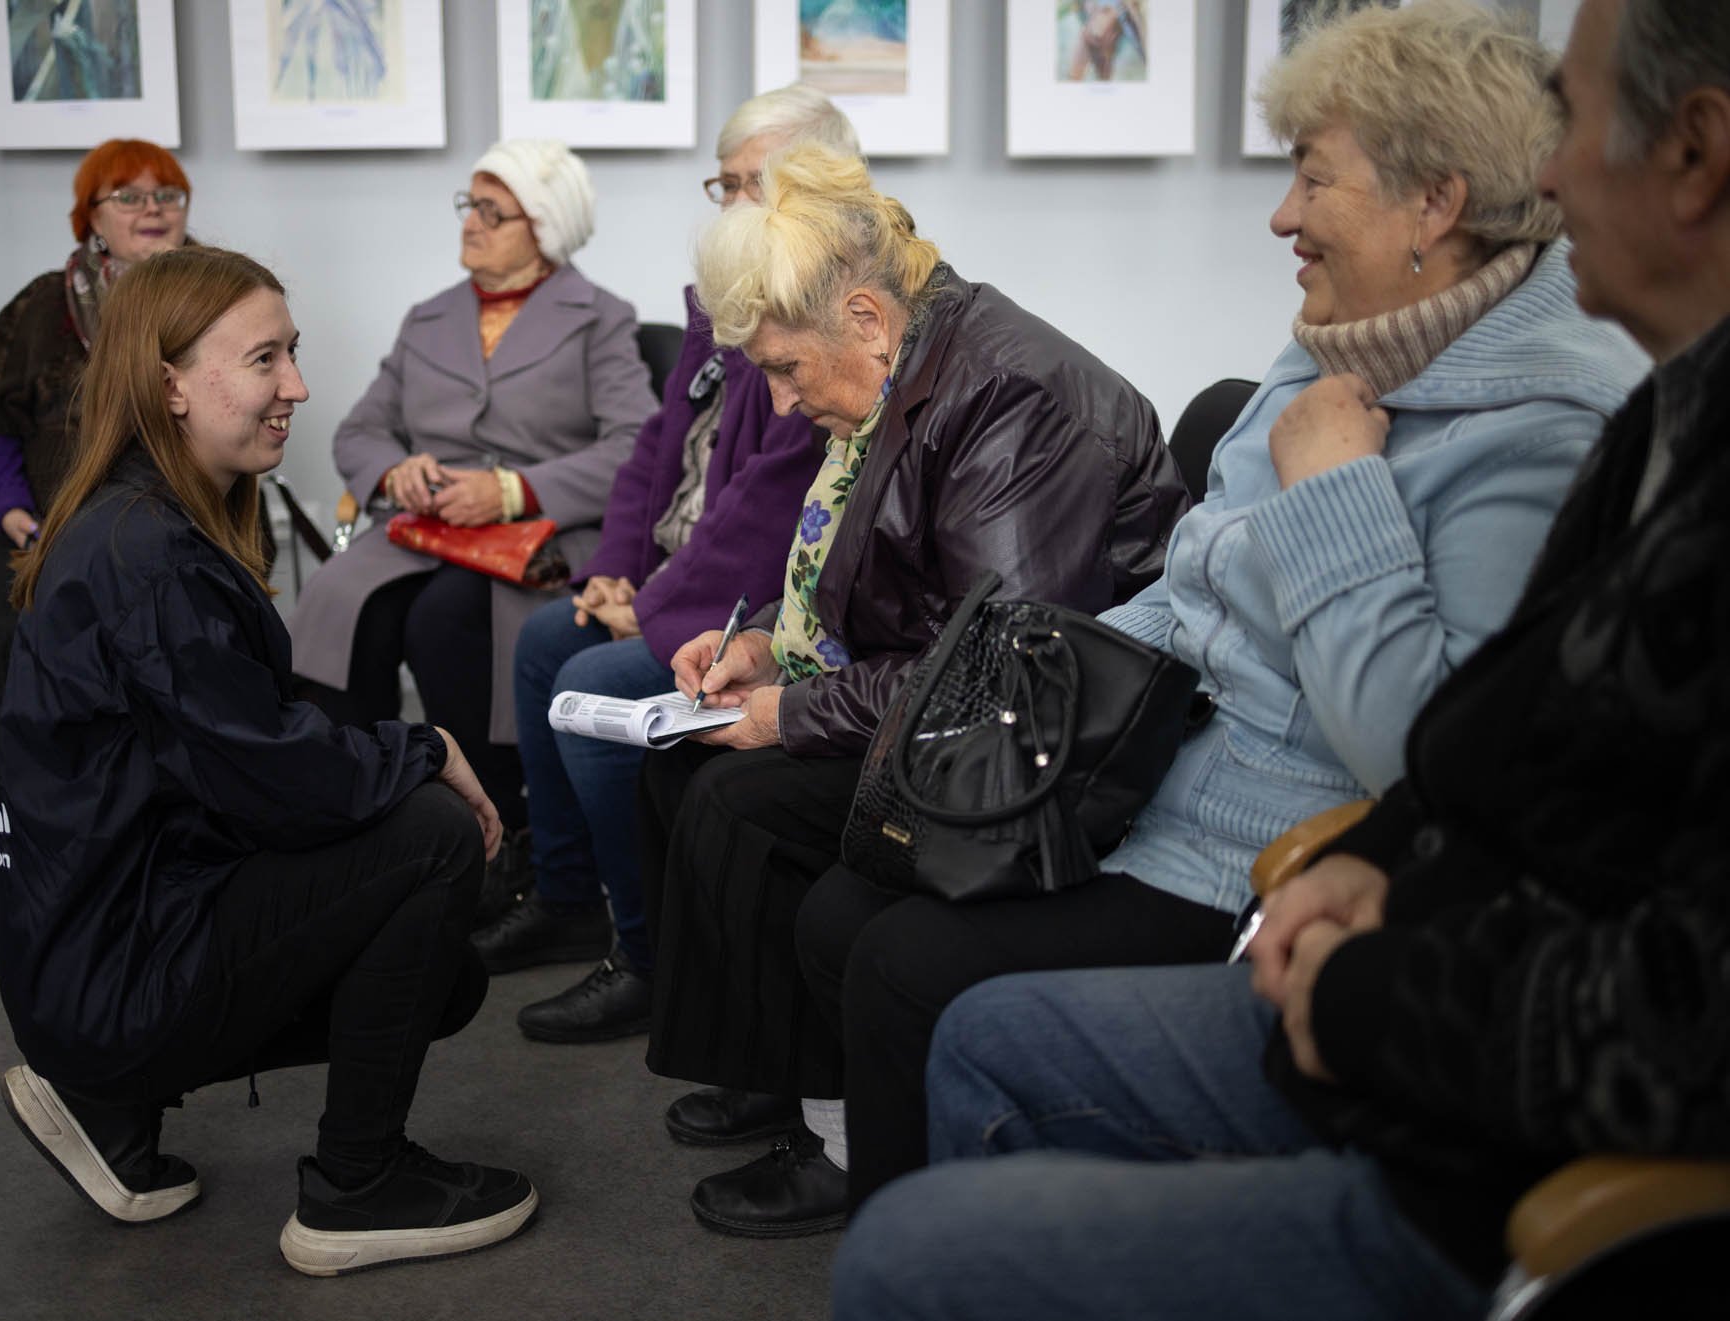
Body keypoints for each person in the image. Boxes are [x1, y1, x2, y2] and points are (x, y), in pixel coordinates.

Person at [831, 0, 1730, 1316]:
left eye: (1313, 173)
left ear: (1434, 203)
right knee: (885, 902)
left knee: (912, 1026)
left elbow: (1422, 735)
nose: (1552, 171)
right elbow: (1482, 749)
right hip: (1270, 849)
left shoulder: (1552, 420)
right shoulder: (1617, 398)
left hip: (1336, 952)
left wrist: (1366, 954)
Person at [639, 145, 1191, 1236]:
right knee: (704, 779)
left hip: (1054, 750)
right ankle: (800, 1090)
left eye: (789, 372)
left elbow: (999, 668)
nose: (787, 405)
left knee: (747, 809)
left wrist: (795, 710)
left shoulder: (1014, 396)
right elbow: (892, 597)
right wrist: (766, 656)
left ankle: (841, 1137)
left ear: (865, 316)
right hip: (986, 707)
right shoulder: (916, 366)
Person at [0, 246, 536, 1277]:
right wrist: (428, 745)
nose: (298, 385)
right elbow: (276, 780)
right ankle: (357, 1185)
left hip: (77, 954)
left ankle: (110, 1103)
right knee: (432, 838)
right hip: (108, 975)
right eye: (266, 358)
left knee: (443, 974)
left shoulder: (133, 521)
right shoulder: (148, 559)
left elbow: (236, 756)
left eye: (294, 354)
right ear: (171, 384)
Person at [481, 87, 856, 1045]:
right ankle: (570, 894)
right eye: (723, 184)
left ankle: (647, 953)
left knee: (592, 676)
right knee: (540, 646)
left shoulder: (826, 312)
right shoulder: (723, 292)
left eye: (750, 185)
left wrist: (648, 611)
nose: (730, 204)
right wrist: (610, 568)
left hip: (750, 595)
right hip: (672, 575)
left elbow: (771, 504)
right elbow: (659, 441)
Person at [289, 138, 657, 864]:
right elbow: (361, 429)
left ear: (546, 227)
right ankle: (356, 812)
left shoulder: (601, 317)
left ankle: (497, 834)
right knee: (339, 601)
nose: (471, 223)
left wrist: (514, 488)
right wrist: (396, 473)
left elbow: (637, 443)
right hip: (424, 529)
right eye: (471, 204)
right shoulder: (428, 317)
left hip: (537, 533)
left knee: (446, 620)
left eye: (495, 211)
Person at [0, 138, 194, 755]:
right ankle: (34, 783)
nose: (153, 208)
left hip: (180, 518)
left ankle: (167, 778)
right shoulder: (42, 303)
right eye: (129, 196)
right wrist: (11, 508)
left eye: (167, 195)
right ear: (91, 216)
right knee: (5, 619)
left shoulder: (220, 294)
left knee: (170, 621)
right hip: (47, 522)